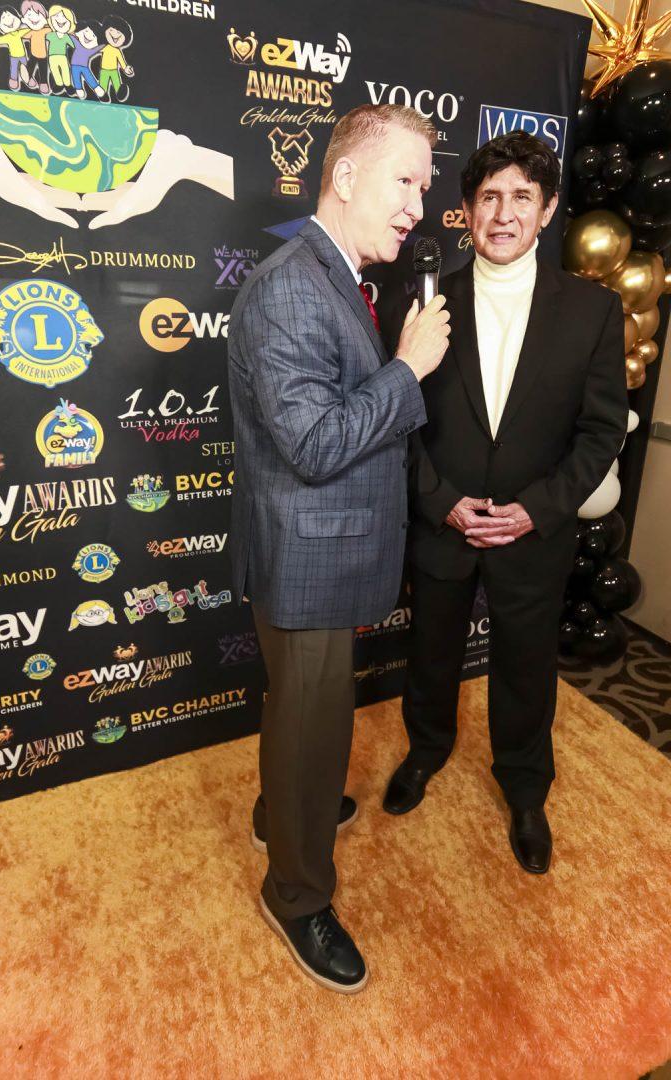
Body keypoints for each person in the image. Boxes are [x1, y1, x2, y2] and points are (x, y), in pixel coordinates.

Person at [228, 104, 450, 993]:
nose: (419, 207)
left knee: (303, 716)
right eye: (406, 182)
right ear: (347, 177)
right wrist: (409, 369)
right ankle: (296, 892)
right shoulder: (292, 286)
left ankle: (285, 807)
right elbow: (316, 444)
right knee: (313, 723)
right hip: (306, 563)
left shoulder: (338, 275)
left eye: (425, 187)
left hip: (324, 555)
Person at [383, 132, 628, 875]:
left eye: (522, 196)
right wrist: (442, 502)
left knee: (526, 669)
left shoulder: (593, 310)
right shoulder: (420, 300)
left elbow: (600, 431)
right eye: (488, 197)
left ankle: (525, 790)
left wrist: (537, 510)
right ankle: (426, 751)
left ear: (547, 210)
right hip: (443, 523)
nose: (504, 213)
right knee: (430, 655)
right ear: (465, 211)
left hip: (534, 531)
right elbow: (396, 420)